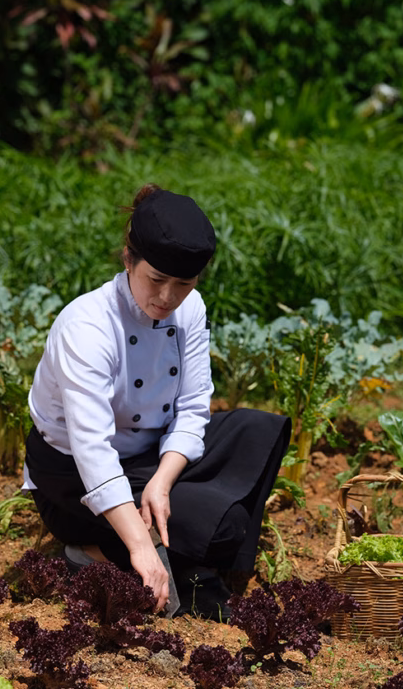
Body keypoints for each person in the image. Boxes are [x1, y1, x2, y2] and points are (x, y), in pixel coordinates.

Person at [23, 183, 292, 619]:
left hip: (148, 458)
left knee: (256, 430)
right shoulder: (86, 326)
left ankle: (174, 548)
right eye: (156, 280)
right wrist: (141, 548)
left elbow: (193, 408)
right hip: (73, 476)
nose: (167, 298)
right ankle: (90, 550)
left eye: (183, 284)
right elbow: (92, 450)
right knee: (224, 527)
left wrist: (162, 483)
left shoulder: (191, 309)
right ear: (129, 259)